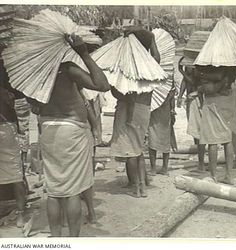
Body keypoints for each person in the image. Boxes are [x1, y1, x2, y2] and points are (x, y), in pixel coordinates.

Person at [34, 34, 110, 237]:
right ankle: (73, 241)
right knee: (72, 190)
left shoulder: (38, 73)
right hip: (71, 131)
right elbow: (103, 85)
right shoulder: (67, 69)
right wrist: (84, 54)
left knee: (54, 190)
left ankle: (57, 239)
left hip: (48, 129)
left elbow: (34, 106)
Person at [110, 19, 160, 198]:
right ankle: (142, 187)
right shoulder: (151, 67)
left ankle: (136, 187)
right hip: (144, 109)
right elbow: (156, 56)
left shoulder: (127, 69)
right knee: (138, 149)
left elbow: (119, 95)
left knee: (130, 151)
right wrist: (150, 39)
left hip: (128, 111)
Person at [196, 65, 236, 184]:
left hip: (213, 100)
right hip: (227, 98)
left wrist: (201, 75)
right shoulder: (232, 62)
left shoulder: (210, 62)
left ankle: (214, 176)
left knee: (212, 140)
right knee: (227, 139)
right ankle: (229, 175)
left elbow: (212, 84)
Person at [0, 54, 27, 228]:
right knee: (15, 171)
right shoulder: (10, 72)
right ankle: (20, 214)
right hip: (6, 126)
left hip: (6, 126)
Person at [177, 57, 206, 171]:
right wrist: (180, 95)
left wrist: (181, 71)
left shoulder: (199, 61)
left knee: (199, 129)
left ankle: (201, 159)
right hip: (191, 97)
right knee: (194, 127)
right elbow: (185, 81)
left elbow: (194, 82)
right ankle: (197, 151)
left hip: (198, 98)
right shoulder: (188, 60)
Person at [148, 86, 176, 176]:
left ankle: (156, 168)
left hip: (159, 112)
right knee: (161, 140)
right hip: (161, 113)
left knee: (156, 139)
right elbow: (172, 99)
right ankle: (163, 168)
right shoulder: (168, 85)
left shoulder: (153, 84)